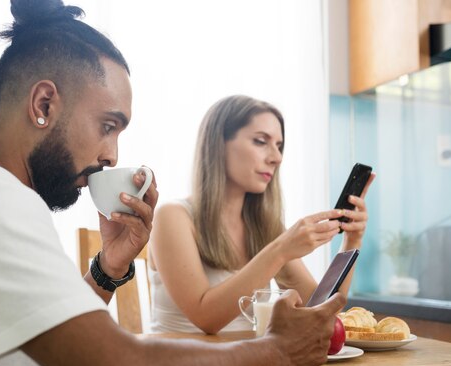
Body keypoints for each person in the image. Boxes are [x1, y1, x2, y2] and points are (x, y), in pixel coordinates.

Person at [0, 2, 346, 366]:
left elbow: (55, 342)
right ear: (44, 103)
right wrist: (278, 351)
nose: (112, 155)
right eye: (108, 125)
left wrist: (109, 269)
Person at [149, 95, 374, 334]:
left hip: (248, 364)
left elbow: (321, 310)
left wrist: (351, 241)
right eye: (260, 141)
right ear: (219, 144)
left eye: (279, 146)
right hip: (181, 364)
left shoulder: (263, 226)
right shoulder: (172, 216)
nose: (276, 157)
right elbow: (206, 318)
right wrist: (280, 250)